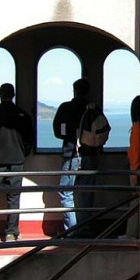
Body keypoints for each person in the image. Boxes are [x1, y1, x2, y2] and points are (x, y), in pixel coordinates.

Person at [0, 83, 34, 242]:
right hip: (16, 162)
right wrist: (21, 154)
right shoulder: (23, 116)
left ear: (0, 95)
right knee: (14, 198)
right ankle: (11, 233)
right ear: (13, 95)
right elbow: (28, 141)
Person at [53, 78, 102, 235]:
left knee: (66, 191)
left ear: (74, 90)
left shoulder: (66, 108)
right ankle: (85, 228)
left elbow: (57, 131)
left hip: (71, 154)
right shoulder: (95, 109)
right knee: (86, 192)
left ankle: (72, 230)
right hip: (91, 154)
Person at [125, 95, 140, 238]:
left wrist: (134, 174)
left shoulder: (137, 128)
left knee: (135, 205)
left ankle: (131, 235)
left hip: (136, 171)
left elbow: (135, 154)